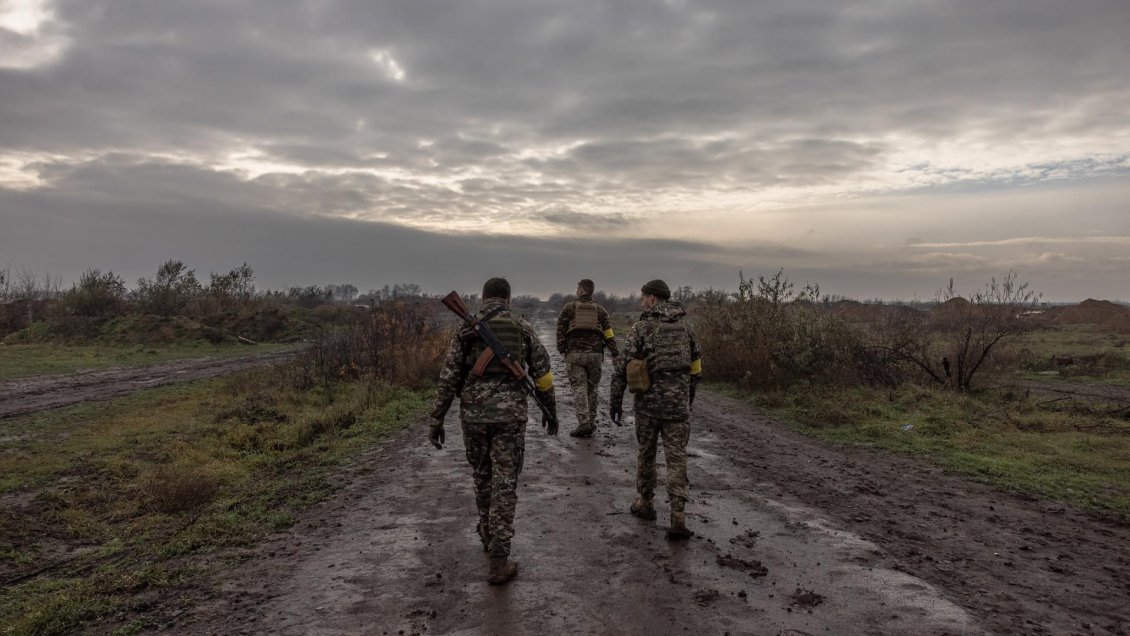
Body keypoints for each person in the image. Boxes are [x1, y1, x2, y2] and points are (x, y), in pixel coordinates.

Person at [429, 277, 558, 584]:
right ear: (509, 299)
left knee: (483, 475)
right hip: (510, 417)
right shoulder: (520, 326)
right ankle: (499, 558)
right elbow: (542, 372)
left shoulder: (465, 331)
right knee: (505, 482)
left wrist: (436, 419)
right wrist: (550, 410)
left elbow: (448, 379)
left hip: (473, 416)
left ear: (484, 297)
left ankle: (488, 532)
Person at [609, 279, 702, 540]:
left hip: (648, 408)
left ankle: (645, 503)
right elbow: (696, 370)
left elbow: (622, 369)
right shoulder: (687, 328)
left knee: (646, 456)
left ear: (652, 299)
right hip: (677, 408)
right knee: (677, 458)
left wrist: (615, 402)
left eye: (643, 296)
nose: (641, 300)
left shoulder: (642, 328)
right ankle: (678, 516)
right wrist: (687, 400)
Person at [555, 278, 620, 438]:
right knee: (592, 389)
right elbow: (609, 333)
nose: (576, 291)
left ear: (582, 290)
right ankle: (591, 421)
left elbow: (560, 330)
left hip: (575, 355)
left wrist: (562, 350)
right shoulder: (600, 310)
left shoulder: (569, 308)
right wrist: (614, 352)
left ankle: (583, 423)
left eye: (578, 288)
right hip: (596, 355)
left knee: (579, 388)